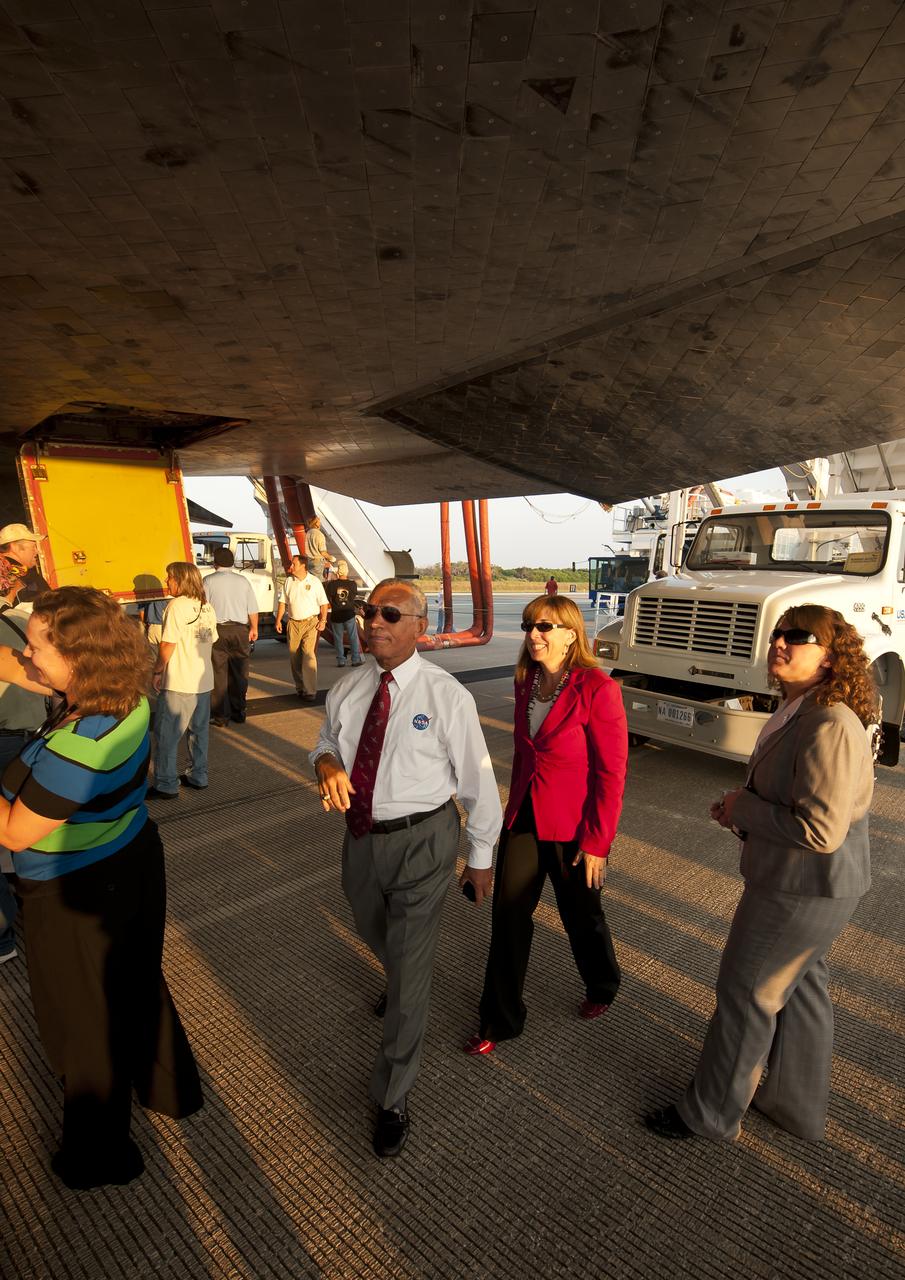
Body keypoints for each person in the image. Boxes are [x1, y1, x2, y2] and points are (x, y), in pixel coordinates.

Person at [645, 604, 878, 1144]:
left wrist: (741, 806)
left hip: (801, 887)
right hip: (807, 883)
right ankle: (795, 1107)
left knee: (747, 993)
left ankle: (708, 1114)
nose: (780, 643)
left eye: (798, 636)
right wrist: (742, 808)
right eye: (777, 634)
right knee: (800, 989)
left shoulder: (830, 722)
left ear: (830, 654)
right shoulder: (801, 707)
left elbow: (821, 829)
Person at [0, 587, 202, 1189]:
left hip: (76, 891)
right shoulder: (123, 696)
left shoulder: (78, 746)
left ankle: (100, 1155)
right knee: (139, 983)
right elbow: (27, 673)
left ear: (77, 658)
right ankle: (170, 1087)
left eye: (37, 646)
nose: (28, 658)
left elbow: (14, 833)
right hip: (131, 858)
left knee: (84, 1023)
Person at [311, 579, 502, 1158]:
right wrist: (324, 764)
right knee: (374, 927)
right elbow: (326, 741)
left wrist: (481, 857)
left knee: (412, 967)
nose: (374, 622)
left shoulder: (446, 696)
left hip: (425, 841)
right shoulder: (348, 687)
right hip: (362, 838)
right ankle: (399, 979)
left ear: (420, 625)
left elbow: (479, 781)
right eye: (370, 612)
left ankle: (392, 1093)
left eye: (390, 614)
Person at [464, 594, 628, 1056]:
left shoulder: (598, 688)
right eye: (529, 625)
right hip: (525, 819)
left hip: (575, 827)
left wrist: (598, 842)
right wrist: (505, 814)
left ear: (571, 634)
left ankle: (602, 984)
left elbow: (611, 773)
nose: (533, 634)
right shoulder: (525, 681)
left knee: (582, 916)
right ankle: (500, 1019)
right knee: (508, 917)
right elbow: (523, 757)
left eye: (545, 627)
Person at [0, 558, 46, 965]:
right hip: (28, 731)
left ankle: (5, 935)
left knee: (13, 837)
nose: (28, 655)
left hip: (11, 736)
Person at [149, 563, 218, 797]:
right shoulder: (206, 606)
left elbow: (168, 644)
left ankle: (166, 783)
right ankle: (199, 775)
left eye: (169, 577)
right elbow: (207, 640)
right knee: (198, 732)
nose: (167, 581)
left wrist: (157, 671)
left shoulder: (176, 606)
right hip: (203, 680)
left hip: (179, 680)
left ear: (181, 580)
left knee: (168, 735)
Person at [203, 547, 259, 725]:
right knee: (240, 672)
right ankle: (239, 712)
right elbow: (252, 608)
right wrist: (254, 628)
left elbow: (203, 608)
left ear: (215, 562)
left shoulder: (208, 581)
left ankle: (221, 716)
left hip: (217, 631)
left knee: (219, 674)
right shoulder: (243, 581)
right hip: (240, 630)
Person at [275, 554, 328, 702]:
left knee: (308, 655)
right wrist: (278, 620)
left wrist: (323, 620)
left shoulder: (315, 581)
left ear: (303, 566)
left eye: (293, 564)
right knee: (294, 657)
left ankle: (310, 691)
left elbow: (324, 603)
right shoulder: (288, 581)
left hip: (311, 622)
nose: (290, 567)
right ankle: (300, 687)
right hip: (293, 623)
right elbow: (282, 602)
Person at [325, 559, 363, 668]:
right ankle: (355, 659)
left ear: (338, 571)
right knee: (353, 637)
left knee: (338, 638)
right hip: (349, 613)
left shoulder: (332, 584)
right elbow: (353, 597)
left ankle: (341, 660)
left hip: (336, 614)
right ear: (347, 571)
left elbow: (329, 597)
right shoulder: (352, 584)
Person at [0, 522, 50, 603]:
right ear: (16, 547)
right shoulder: (27, 576)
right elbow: (51, 609)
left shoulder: (3, 571)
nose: (37, 551)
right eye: (33, 546)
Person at [305, 515, 334, 581]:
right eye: (318, 521)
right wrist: (331, 558)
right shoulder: (319, 534)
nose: (320, 523)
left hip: (309, 562)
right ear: (315, 523)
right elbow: (323, 552)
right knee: (319, 584)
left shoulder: (308, 533)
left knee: (312, 582)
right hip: (318, 564)